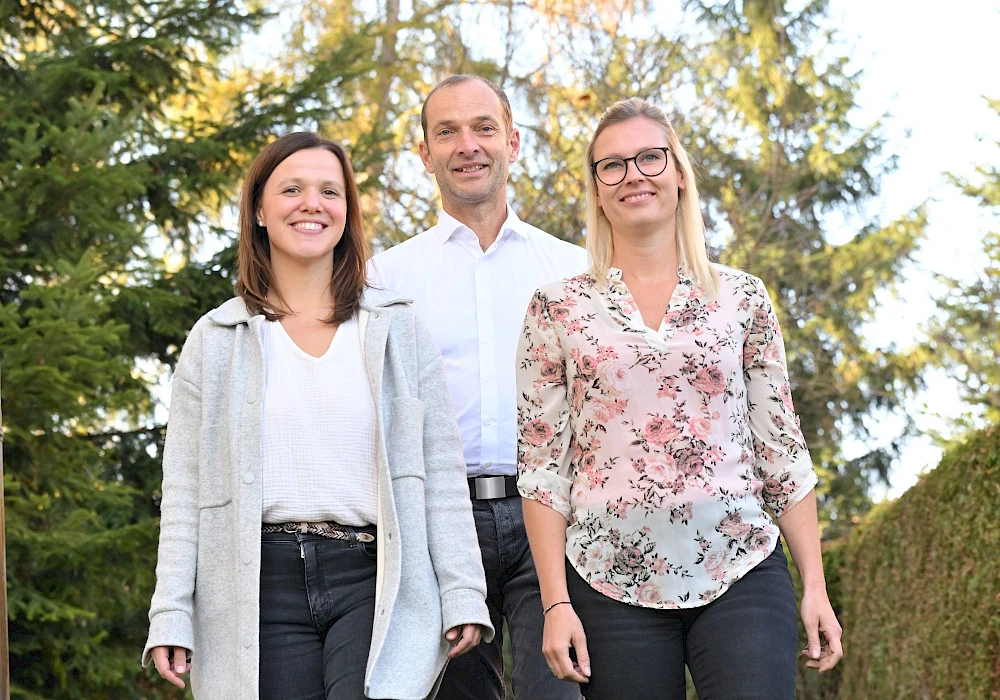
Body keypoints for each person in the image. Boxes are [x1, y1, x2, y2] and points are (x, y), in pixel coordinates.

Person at [142, 131, 492, 700]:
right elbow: (184, 491)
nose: (313, 203)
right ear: (259, 209)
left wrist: (461, 589)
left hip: (375, 581)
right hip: (258, 589)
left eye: (330, 190)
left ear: (347, 211)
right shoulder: (215, 340)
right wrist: (172, 611)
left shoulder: (398, 330)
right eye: (292, 189)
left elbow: (441, 476)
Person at [515, 97, 844, 699]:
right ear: (595, 188)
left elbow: (782, 449)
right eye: (611, 165)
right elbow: (542, 469)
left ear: (679, 173)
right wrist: (555, 602)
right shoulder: (556, 308)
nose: (633, 174)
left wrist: (815, 585)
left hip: (740, 568)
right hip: (607, 580)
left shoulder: (742, 298)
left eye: (649, 157)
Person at [369, 75, 587, 700]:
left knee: (560, 694)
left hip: (553, 518)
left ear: (513, 143)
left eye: (483, 128)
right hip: (439, 526)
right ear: (425, 154)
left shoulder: (574, 270)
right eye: (447, 132)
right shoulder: (386, 279)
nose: (467, 145)